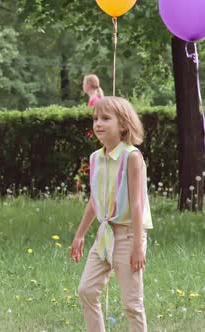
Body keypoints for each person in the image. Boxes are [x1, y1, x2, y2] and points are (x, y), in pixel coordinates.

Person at [70, 97, 153, 332]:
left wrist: (138, 245)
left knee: (132, 304)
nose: (98, 123)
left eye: (106, 118)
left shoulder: (131, 157)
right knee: (86, 290)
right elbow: (94, 201)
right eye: (95, 118)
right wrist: (80, 235)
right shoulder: (95, 158)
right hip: (104, 235)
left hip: (128, 237)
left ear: (124, 125)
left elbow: (136, 204)